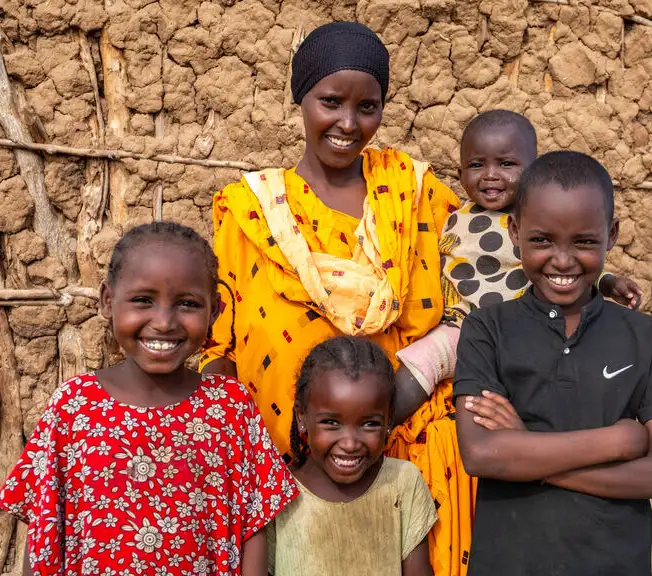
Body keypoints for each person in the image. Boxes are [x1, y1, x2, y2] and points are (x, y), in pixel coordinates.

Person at [200, 21, 469, 576]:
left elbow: (489, 281)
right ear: (301, 98)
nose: (348, 123)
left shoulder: (416, 193)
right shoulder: (250, 211)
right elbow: (220, 350)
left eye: (367, 107)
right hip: (286, 474)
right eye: (330, 101)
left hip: (414, 457)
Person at [0, 222, 296, 576]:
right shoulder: (74, 406)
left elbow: (252, 526)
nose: (164, 322)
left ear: (215, 312)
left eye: (187, 304)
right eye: (143, 301)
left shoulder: (229, 407)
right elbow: (44, 530)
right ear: (108, 301)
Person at [453, 151, 652, 575]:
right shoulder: (487, 330)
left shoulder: (645, 338)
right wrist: (617, 443)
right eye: (542, 240)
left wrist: (527, 451)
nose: (562, 261)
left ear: (611, 235)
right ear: (514, 232)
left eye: (583, 242)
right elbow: (482, 454)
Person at [395, 110, 642, 396]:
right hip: (461, 329)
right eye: (477, 165)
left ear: (533, 171)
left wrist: (610, 283)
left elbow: (570, 265)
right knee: (419, 363)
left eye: (506, 164)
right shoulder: (451, 217)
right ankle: (386, 431)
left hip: (521, 332)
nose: (490, 175)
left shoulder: (538, 223)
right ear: (460, 174)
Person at [270, 335, 436, 576]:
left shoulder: (402, 482)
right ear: (301, 417)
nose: (349, 444)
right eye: (331, 422)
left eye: (369, 424)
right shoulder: (277, 493)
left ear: (389, 420)